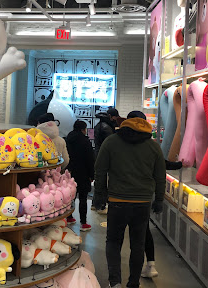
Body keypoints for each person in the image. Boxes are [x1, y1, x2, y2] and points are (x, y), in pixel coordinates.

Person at [94, 110, 165, 288]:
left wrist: (100, 196)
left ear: (125, 121)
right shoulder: (153, 146)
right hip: (142, 203)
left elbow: (100, 170)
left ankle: (115, 282)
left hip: (117, 201)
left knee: (113, 242)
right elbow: (160, 176)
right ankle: (133, 283)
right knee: (138, 244)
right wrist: (159, 199)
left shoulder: (111, 142)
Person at [65, 120, 95, 231]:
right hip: (83, 173)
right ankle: (83, 223)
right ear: (83, 129)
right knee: (83, 198)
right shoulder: (85, 141)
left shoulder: (68, 139)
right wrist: (92, 175)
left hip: (70, 172)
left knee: (69, 197)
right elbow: (90, 160)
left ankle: (68, 217)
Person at [92, 107, 121, 214]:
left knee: (99, 180)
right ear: (111, 116)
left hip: (98, 155)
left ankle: (95, 204)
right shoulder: (107, 127)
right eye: (115, 117)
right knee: (103, 182)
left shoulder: (99, 125)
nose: (116, 119)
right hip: (104, 157)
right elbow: (112, 144)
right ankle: (101, 205)